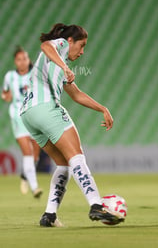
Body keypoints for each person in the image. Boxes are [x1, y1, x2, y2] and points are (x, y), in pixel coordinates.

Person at [20, 23, 121, 227]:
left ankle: (49, 215)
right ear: (70, 41)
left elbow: (76, 94)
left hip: (28, 114)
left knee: (64, 164)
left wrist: (102, 108)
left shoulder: (58, 65)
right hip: (45, 108)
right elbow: (46, 46)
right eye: (81, 45)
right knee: (77, 156)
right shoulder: (61, 47)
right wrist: (65, 67)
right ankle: (95, 205)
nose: (82, 51)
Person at [2, 46, 42, 198]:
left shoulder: (35, 74)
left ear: (29, 59)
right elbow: (6, 94)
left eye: (25, 58)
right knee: (27, 152)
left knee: (36, 154)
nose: (22, 61)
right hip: (18, 117)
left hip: (34, 116)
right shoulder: (10, 76)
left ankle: (25, 176)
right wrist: (6, 96)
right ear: (15, 62)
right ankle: (35, 187)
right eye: (19, 59)